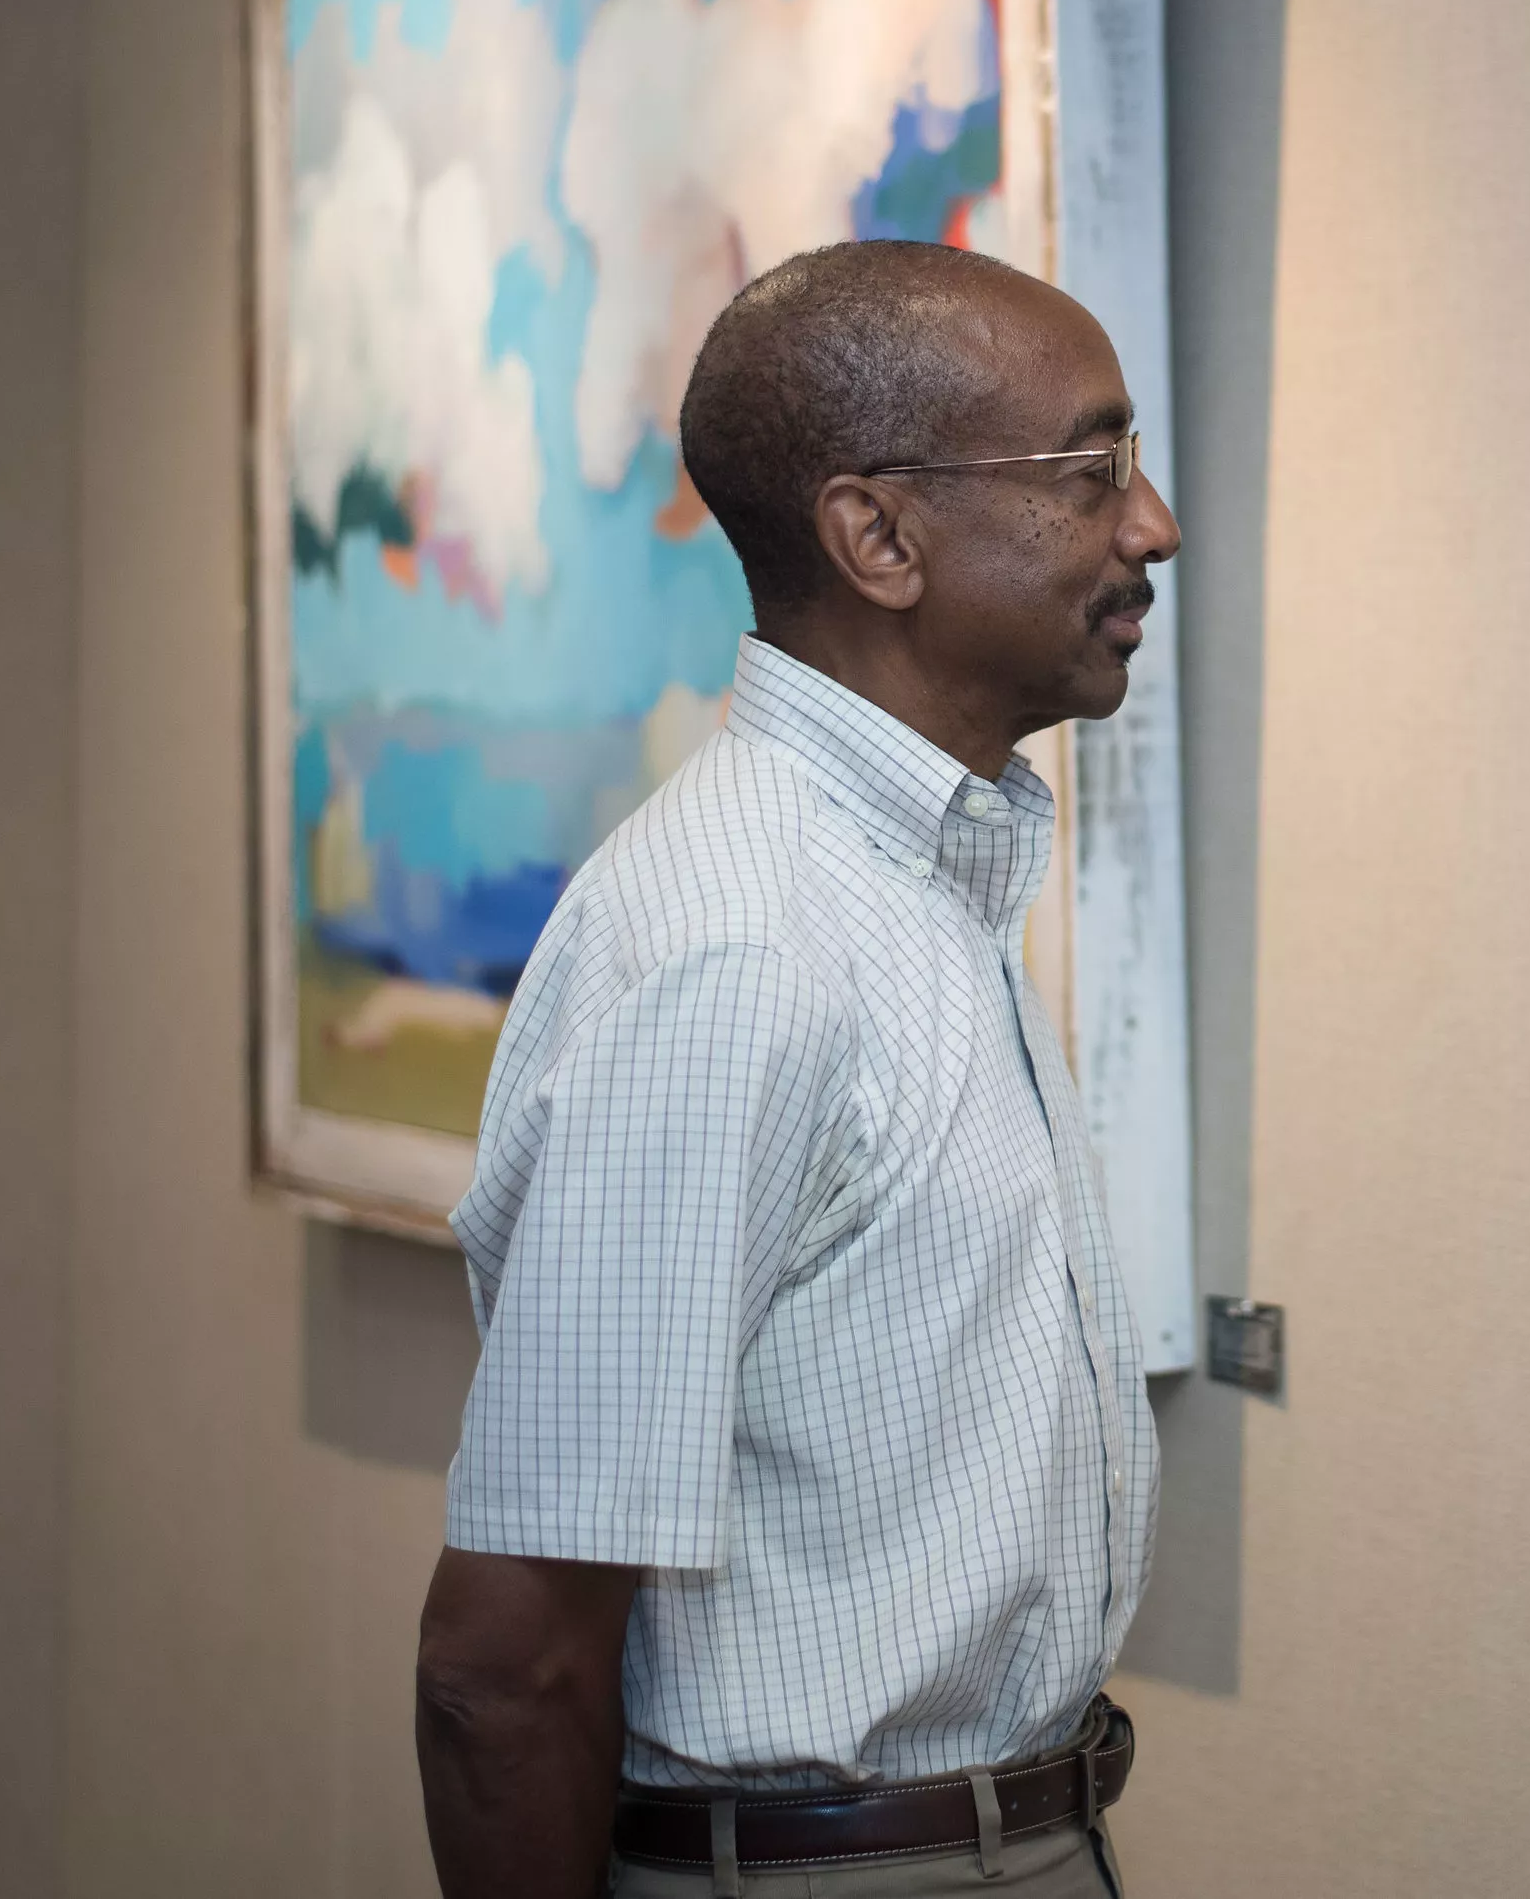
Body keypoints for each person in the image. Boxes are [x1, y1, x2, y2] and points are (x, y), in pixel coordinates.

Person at [412, 240, 1177, 1899]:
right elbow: (506, 1666)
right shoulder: (740, 949)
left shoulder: (916, 885)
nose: (1152, 524)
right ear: (878, 538)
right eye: (1092, 468)